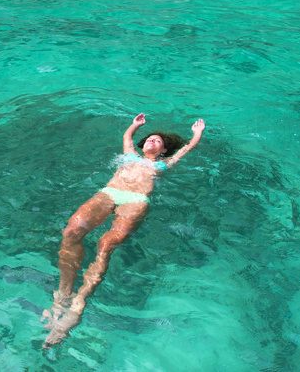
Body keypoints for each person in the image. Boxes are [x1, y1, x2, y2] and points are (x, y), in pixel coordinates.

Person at [43, 113, 205, 346]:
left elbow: (185, 150)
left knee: (105, 245)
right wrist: (135, 126)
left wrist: (196, 135)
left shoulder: (162, 164)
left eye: (158, 141)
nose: (152, 141)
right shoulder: (130, 155)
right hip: (109, 193)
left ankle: (79, 303)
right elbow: (127, 138)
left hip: (136, 201)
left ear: (162, 151)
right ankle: (62, 295)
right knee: (71, 231)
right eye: (150, 138)